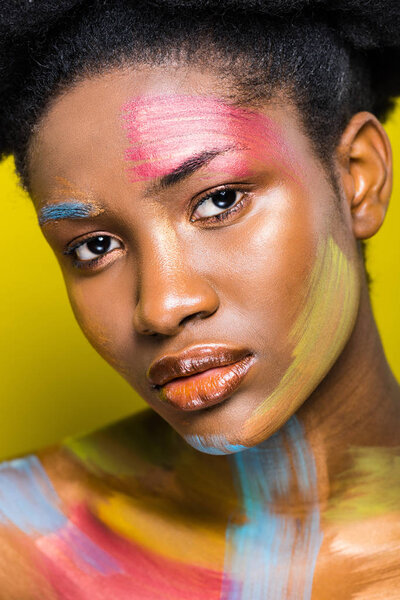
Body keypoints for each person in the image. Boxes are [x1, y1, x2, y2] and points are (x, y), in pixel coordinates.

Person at [0, 0, 399, 597]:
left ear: (357, 177)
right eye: (94, 246)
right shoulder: (21, 550)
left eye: (218, 201)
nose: (161, 306)